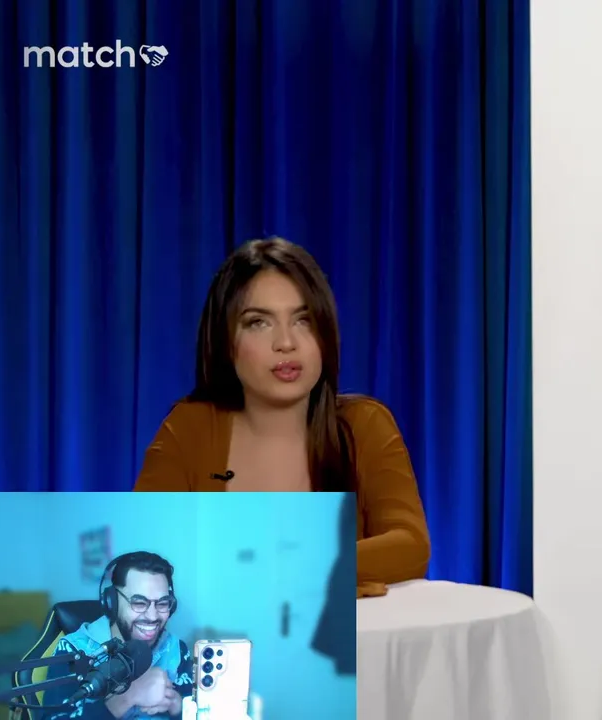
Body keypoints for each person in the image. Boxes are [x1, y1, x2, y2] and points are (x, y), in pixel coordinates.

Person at [134, 238, 431, 587]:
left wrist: (287, 567)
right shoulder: (191, 428)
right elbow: (141, 553)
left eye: (304, 320)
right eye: (259, 323)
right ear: (226, 342)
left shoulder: (364, 425)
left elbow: (410, 546)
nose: (286, 343)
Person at [44, 552, 192, 719]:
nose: (152, 616)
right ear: (112, 602)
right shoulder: (73, 652)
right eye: (139, 603)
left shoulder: (176, 649)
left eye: (163, 603)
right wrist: (128, 697)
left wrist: (178, 706)